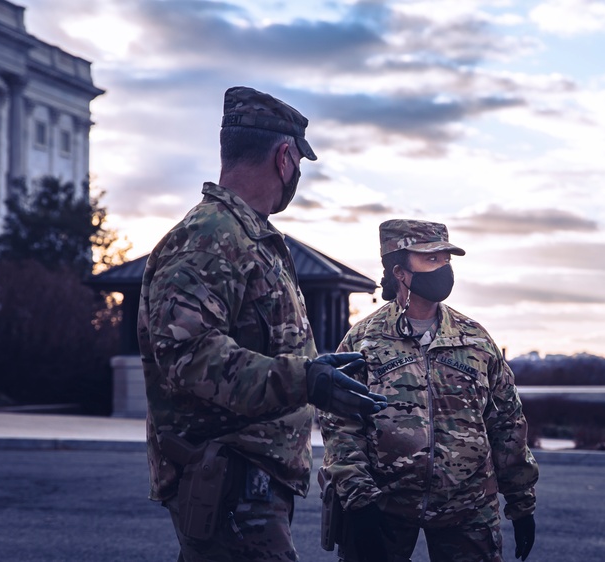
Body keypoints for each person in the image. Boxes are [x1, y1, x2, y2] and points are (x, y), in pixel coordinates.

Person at [137, 85, 385, 562]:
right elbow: (189, 358)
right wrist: (306, 377)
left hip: (249, 484)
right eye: (298, 165)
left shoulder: (248, 237)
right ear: (285, 157)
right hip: (228, 483)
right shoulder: (209, 237)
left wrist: (317, 373)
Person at [319, 219, 539, 562]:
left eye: (446, 260)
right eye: (431, 260)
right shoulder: (363, 341)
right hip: (384, 507)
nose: (444, 269)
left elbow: (507, 421)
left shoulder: (475, 338)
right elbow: (341, 425)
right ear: (401, 272)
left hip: (467, 510)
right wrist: (358, 501)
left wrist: (522, 502)